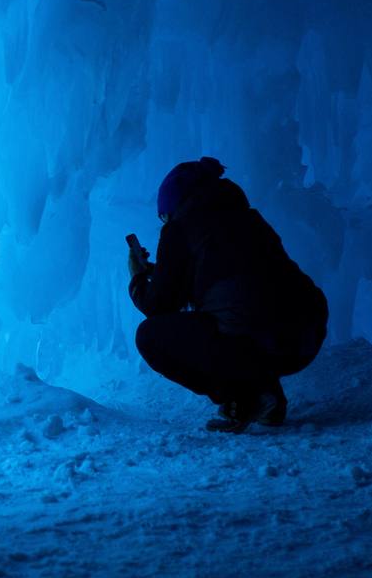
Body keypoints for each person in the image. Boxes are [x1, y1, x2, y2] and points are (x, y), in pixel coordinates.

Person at [128, 157, 328, 432]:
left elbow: (158, 305)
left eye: (163, 215)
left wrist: (137, 277)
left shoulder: (179, 229)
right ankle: (263, 393)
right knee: (239, 318)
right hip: (305, 338)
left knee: (150, 336)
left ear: (174, 206)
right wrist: (164, 271)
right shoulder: (247, 217)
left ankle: (248, 397)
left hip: (256, 340)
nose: (164, 221)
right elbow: (230, 274)